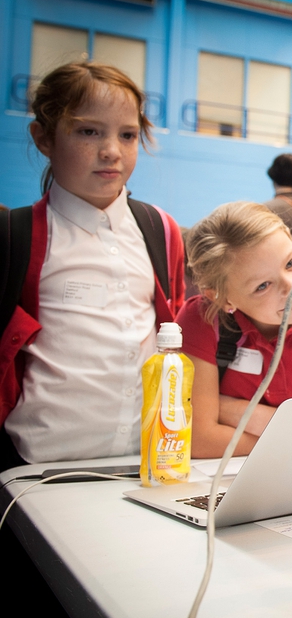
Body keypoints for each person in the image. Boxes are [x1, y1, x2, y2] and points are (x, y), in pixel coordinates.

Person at [1, 61, 185, 465]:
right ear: (44, 138)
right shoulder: (17, 236)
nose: (111, 151)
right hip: (39, 467)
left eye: (128, 135)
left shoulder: (162, 230)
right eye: (89, 131)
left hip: (146, 461)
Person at [177, 202, 292, 458]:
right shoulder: (203, 320)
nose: (291, 286)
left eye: (290, 263)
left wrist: (231, 410)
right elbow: (199, 440)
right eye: (262, 286)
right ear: (222, 298)